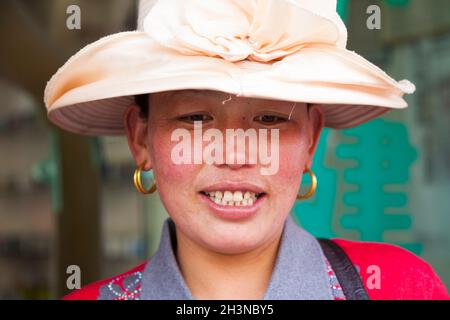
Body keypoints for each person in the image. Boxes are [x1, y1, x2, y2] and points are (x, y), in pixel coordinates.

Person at [44, 0, 449, 300]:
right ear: (140, 139)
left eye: (270, 120)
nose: (235, 155)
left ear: (311, 139)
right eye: (196, 118)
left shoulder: (398, 287)